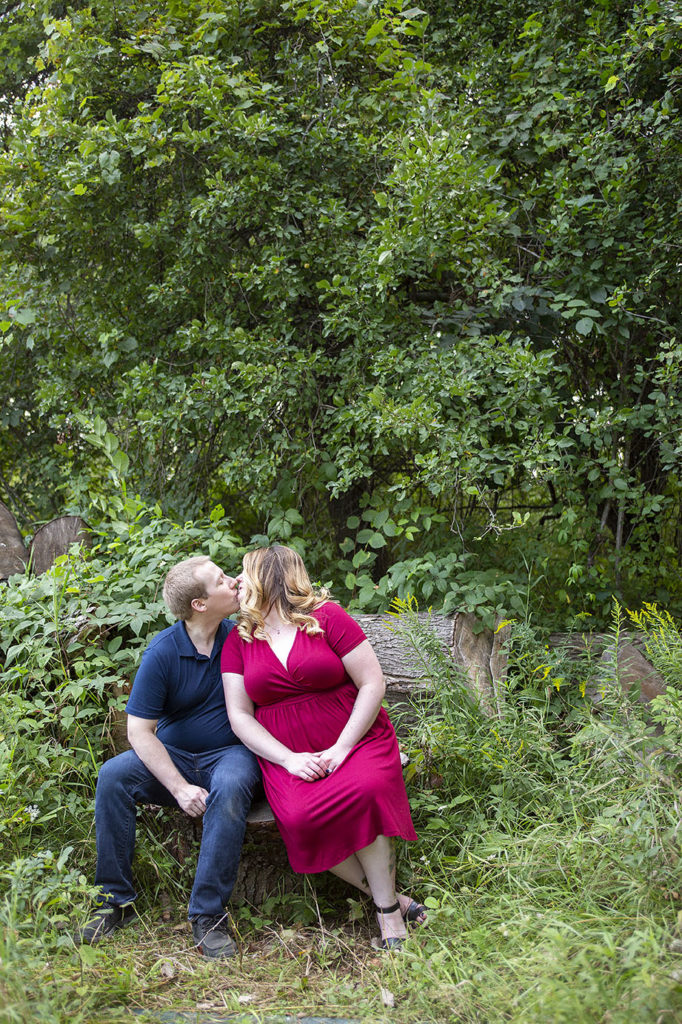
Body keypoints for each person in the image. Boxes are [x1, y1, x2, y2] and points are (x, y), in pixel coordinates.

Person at [220, 544, 425, 950]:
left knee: (364, 790)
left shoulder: (327, 617)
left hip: (355, 737)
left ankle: (388, 917)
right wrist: (288, 759)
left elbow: (372, 683)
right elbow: (240, 715)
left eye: (244, 572)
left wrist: (344, 748)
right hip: (289, 755)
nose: (238, 580)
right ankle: (393, 900)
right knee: (300, 819)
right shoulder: (239, 639)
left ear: (268, 576)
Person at [77, 556, 261, 959]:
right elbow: (138, 731)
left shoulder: (242, 637)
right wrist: (178, 787)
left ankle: (208, 915)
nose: (233, 582)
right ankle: (114, 903)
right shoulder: (163, 652)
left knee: (231, 784)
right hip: (174, 757)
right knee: (112, 776)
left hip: (229, 754)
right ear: (199, 604)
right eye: (221, 581)